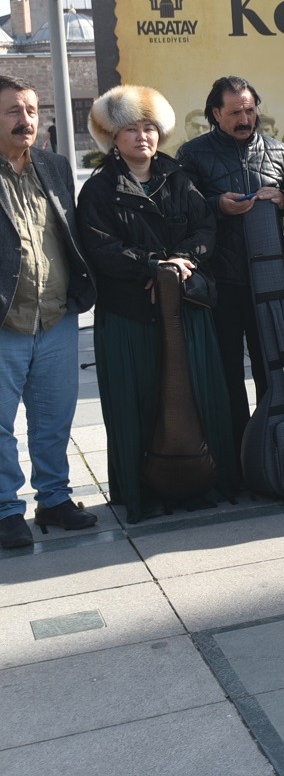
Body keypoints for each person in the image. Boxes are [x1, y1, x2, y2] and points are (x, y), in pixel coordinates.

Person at [78, 85, 237, 523]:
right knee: (139, 400)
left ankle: (206, 482)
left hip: (187, 307)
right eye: (131, 128)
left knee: (200, 395)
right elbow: (102, 249)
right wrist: (152, 267)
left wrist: (181, 264)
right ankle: (140, 490)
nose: (142, 137)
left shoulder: (177, 176)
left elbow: (205, 229)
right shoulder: (98, 189)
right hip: (131, 314)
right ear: (113, 136)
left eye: (149, 127)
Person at [0, 74, 97, 549]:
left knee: (54, 417)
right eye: (14, 112)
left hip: (57, 314)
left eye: (32, 111)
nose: (26, 120)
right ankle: (5, 510)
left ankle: (55, 500)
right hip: (5, 321)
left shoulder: (54, 165)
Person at [176, 75, 284, 451]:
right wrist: (217, 206)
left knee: (275, 369)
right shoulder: (192, 155)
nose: (245, 119)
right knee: (227, 373)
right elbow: (181, 212)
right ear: (215, 113)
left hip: (272, 280)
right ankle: (236, 458)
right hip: (221, 282)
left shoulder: (279, 151)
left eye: (250, 109)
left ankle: (275, 449)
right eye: (235, 112)